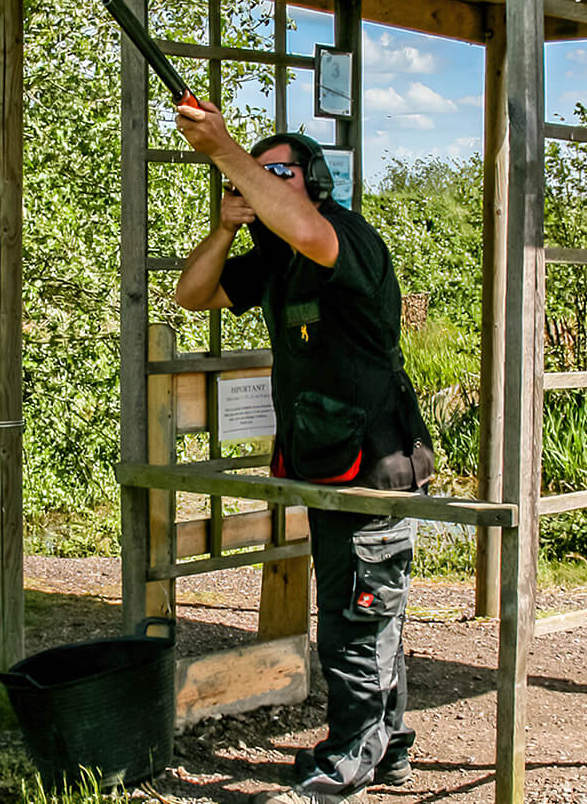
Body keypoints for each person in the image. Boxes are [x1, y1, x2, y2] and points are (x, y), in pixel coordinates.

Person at [173, 100, 434, 804]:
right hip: (329, 460)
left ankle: (351, 758)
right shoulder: (277, 257)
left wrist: (224, 148)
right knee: (367, 610)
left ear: (311, 180)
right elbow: (191, 294)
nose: (260, 178)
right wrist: (223, 228)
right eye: (256, 171)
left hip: (373, 462)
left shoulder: (338, 235)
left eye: (277, 170)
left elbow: (309, 230)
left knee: (359, 614)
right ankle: (390, 745)